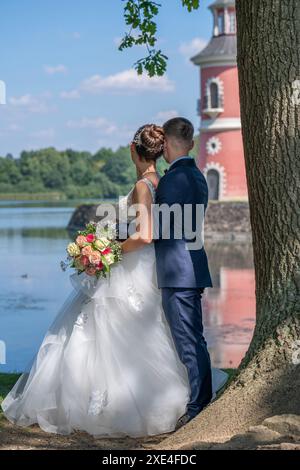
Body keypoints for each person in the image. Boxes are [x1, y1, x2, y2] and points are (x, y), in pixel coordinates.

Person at [1, 123, 227, 437]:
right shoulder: (163, 181)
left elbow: (145, 234)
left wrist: (107, 251)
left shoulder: (151, 185)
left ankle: (180, 405)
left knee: (129, 335)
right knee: (155, 337)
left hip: (155, 267)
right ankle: (173, 400)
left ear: (135, 150)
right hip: (158, 268)